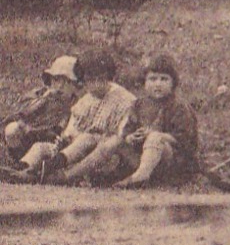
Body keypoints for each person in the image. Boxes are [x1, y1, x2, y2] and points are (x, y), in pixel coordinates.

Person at [15, 51, 136, 183]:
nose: (94, 85)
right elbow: (72, 128)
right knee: (40, 147)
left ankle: (55, 172)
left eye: (99, 80)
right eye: (88, 81)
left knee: (87, 138)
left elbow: (121, 137)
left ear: (109, 77)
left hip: (104, 154)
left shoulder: (125, 99)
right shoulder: (86, 100)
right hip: (76, 150)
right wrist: (65, 138)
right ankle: (23, 170)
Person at [97, 54, 199, 188]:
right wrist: (131, 137)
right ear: (144, 82)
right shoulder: (139, 104)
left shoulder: (179, 106)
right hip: (142, 157)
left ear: (173, 83)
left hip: (172, 162)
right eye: (152, 79)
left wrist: (158, 135)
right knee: (116, 140)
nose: (158, 84)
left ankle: (140, 177)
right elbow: (128, 130)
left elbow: (186, 140)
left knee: (155, 137)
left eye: (164, 79)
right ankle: (76, 173)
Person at [2, 56, 80, 166]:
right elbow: (21, 113)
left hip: (51, 144)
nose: (60, 86)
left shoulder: (76, 103)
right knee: (12, 129)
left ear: (75, 85)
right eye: (57, 80)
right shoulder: (39, 94)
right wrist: (44, 99)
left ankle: (26, 168)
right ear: (50, 80)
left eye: (66, 81)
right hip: (29, 138)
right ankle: (16, 163)